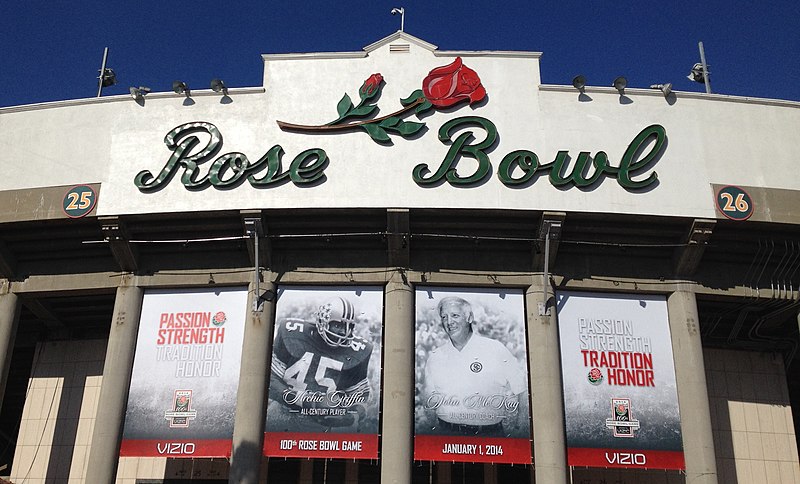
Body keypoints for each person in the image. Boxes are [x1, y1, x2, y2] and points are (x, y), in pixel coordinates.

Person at [422, 296, 527, 437]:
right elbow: (429, 399)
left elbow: (521, 389)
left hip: (490, 436)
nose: (449, 322)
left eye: (455, 315)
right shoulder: (436, 357)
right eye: (444, 317)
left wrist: (519, 428)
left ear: (469, 318)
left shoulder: (495, 349)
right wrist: (433, 429)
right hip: (447, 436)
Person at [267, 297, 372, 431]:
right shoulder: (293, 334)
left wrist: (351, 417)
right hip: (283, 414)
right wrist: (305, 401)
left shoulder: (359, 351)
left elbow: (361, 398)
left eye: (349, 326)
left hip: (323, 426)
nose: (344, 332)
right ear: (323, 320)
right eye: (338, 325)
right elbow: (270, 382)